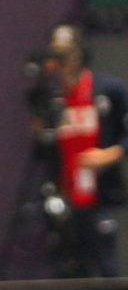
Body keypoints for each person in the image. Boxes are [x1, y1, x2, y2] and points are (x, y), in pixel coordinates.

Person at [28, 24, 128, 277]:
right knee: (68, 268)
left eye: (67, 53)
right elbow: (43, 152)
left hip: (100, 193)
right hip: (65, 194)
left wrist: (111, 154)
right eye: (57, 54)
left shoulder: (109, 90)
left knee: (105, 265)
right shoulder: (51, 97)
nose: (63, 61)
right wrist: (40, 131)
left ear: (80, 53)